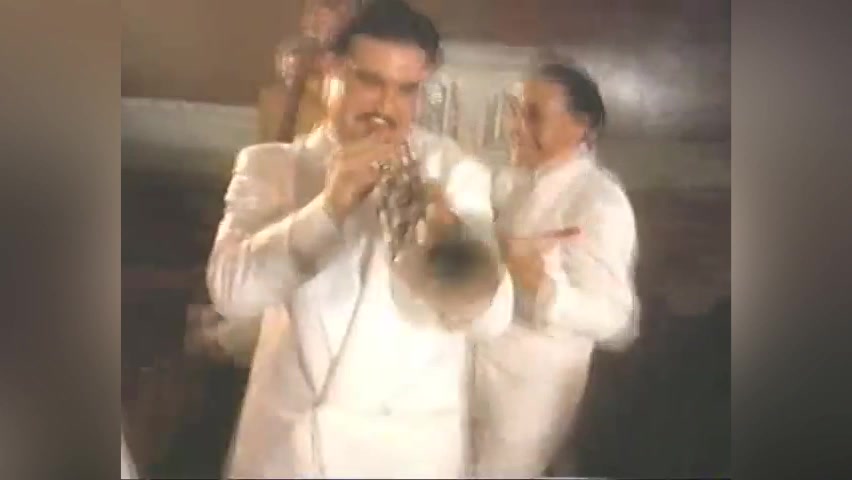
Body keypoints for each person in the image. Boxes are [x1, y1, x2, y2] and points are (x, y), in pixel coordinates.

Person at [206, 0, 513, 477]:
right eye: (370, 82)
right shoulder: (269, 164)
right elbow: (230, 294)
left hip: (405, 455)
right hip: (290, 451)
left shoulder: (456, 173)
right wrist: (327, 209)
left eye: (407, 90)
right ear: (330, 70)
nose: (387, 108)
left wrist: (446, 234)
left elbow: (493, 319)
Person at [472, 62, 640, 477]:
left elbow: (617, 320)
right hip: (474, 364)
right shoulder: (510, 182)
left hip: (531, 392)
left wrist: (545, 288)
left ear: (580, 127)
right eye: (515, 111)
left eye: (533, 115)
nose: (515, 126)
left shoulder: (599, 202)